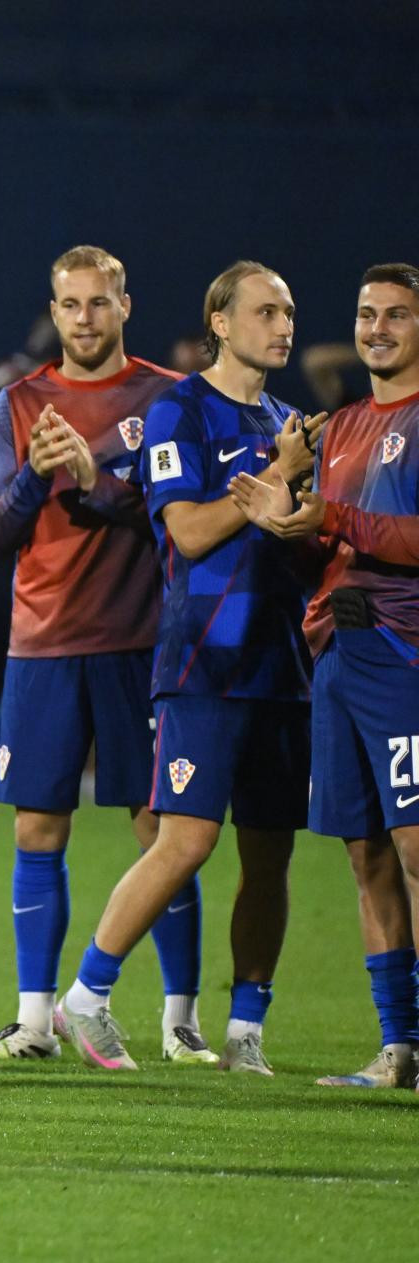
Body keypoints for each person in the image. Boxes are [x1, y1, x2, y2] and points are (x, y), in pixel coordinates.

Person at [59, 262, 320, 1074]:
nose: (283, 325)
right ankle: (85, 997)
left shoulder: (288, 422)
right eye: (265, 311)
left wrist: (310, 518)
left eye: (288, 311)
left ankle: (246, 1031)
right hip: (203, 660)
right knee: (187, 839)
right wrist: (278, 475)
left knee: (270, 854)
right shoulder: (181, 410)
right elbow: (190, 531)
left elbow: (301, 546)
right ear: (220, 321)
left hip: (281, 663)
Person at [0, 246, 212, 1064]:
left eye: (99, 302)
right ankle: (35, 1022)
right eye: (70, 304)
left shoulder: (169, 399)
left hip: (142, 646)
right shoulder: (20, 403)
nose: (84, 318)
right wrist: (37, 478)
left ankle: (181, 1022)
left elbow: (180, 517)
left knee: (160, 829)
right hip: (43, 643)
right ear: (54, 310)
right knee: (38, 826)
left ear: (124, 306)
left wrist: (92, 480)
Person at [231, 264, 419, 1090]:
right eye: (367, 313)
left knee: (417, 847)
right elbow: (330, 552)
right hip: (337, 656)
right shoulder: (336, 428)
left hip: (405, 655)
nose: (376, 328)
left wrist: (332, 515)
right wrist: (288, 529)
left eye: (397, 315)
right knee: (365, 854)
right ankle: (399, 1048)